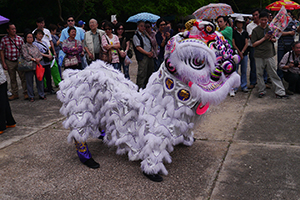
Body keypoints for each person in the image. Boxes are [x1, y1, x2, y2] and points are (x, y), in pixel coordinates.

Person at [251, 12, 288, 98]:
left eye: (265, 20)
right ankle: (261, 90)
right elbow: (253, 44)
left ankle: (280, 91)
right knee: (259, 74)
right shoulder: (255, 30)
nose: (263, 21)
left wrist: (271, 38)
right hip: (259, 55)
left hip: (269, 54)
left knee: (273, 73)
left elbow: (275, 40)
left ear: (268, 19)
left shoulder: (271, 28)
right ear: (259, 20)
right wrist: (264, 38)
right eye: (262, 20)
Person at [0, 23, 28, 101]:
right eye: (12, 29)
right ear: (8, 30)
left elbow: (23, 50)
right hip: (9, 61)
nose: (14, 30)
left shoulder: (19, 39)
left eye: (14, 28)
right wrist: (4, 63)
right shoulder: (4, 40)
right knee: (12, 78)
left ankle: (26, 92)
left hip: (19, 60)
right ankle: (15, 93)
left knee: (23, 77)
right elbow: (1, 51)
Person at [247, 9, 269, 90]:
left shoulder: (266, 25)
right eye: (254, 15)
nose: (255, 17)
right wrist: (264, 38)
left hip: (264, 47)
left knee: (265, 65)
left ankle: (265, 81)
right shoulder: (249, 26)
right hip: (254, 48)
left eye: (256, 15)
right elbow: (252, 37)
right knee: (254, 65)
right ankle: (253, 82)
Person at [22, 33, 44, 102]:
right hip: (29, 66)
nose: (30, 39)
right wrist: (34, 59)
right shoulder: (24, 46)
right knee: (29, 82)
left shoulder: (35, 46)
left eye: (31, 37)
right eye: (28, 37)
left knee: (40, 80)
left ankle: (41, 94)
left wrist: (39, 59)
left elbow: (40, 55)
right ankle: (31, 96)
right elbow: (26, 56)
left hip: (37, 65)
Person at [133, 21, 154, 89]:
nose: (143, 27)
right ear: (138, 27)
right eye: (141, 26)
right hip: (143, 56)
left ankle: (147, 88)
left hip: (150, 55)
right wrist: (147, 53)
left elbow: (150, 44)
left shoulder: (146, 35)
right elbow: (138, 47)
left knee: (150, 72)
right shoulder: (136, 36)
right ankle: (139, 88)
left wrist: (151, 52)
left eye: (144, 26)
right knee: (142, 73)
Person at [33, 29, 54, 97]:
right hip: (41, 62)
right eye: (39, 34)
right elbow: (38, 52)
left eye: (41, 34)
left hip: (47, 61)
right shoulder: (34, 44)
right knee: (41, 77)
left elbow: (48, 49)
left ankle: (50, 88)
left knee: (48, 76)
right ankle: (41, 90)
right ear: (36, 35)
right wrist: (47, 55)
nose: (40, 35)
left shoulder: (44, 42)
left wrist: (50, 54)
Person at [232, 15, 249, 94]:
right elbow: (233, 43)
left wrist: (242, 52)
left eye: (241, 23)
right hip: (236, 54)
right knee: (235, 71)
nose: (239, 24)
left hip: (244, 54)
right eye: (238, 23)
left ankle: (244, 86)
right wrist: (239, 52)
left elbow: (246, 43)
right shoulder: (234, 32)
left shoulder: (245, 33)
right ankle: (235, 87)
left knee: (244, 71)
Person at [277, 12, 296, 81]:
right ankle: (279, 78)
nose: (288, 16)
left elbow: (293, 32)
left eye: (289, 15)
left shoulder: (292, 23)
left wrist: (284, 33)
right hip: (281, 46)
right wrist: (288, 33)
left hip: (290, 46)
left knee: (289, 62)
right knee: (280, 63)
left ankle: (288, 78)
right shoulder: (279, 23)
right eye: (286, 15)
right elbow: (278, 33)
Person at [0, 62, 16, 135]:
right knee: (5, 103)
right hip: (2, 81)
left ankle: (1, 126)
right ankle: (10, 122)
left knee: (2, 104)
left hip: (1, 82)